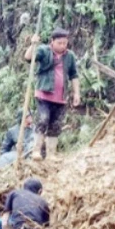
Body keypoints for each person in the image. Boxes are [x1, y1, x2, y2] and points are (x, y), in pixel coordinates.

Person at [24, 28, 81, 159]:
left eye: (65, 43)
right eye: (59, 43)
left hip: (61, 97)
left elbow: (74, 75)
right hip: (44, 94)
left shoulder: (70, 56)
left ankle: (51, 154)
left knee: (55, 125)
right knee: (43, 119)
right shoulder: (44, 51)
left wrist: (76, 93)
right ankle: (36, 150)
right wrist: (33, 45)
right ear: (52, 41)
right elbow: (28, 58)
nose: (62, 46)